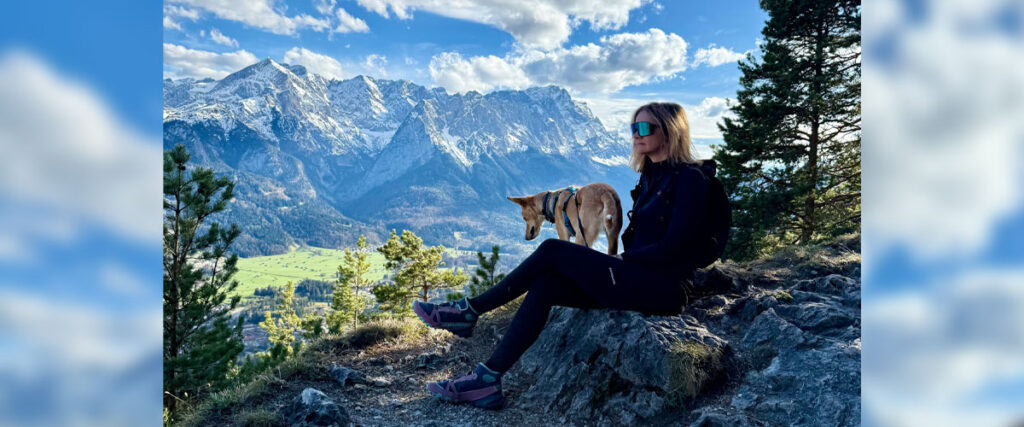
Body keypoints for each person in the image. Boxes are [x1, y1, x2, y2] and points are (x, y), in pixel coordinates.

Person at [412, 102, 710, 410]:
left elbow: (676, 246)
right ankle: (486, 380)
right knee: (546, 285)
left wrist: (622, 262)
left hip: (665, 287)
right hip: (639, 277)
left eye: (645, 128)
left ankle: (468, 311)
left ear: (671, 131)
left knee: (553, 249)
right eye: (633, 127)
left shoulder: (690, 179)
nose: (636, 134)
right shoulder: (652, 177)